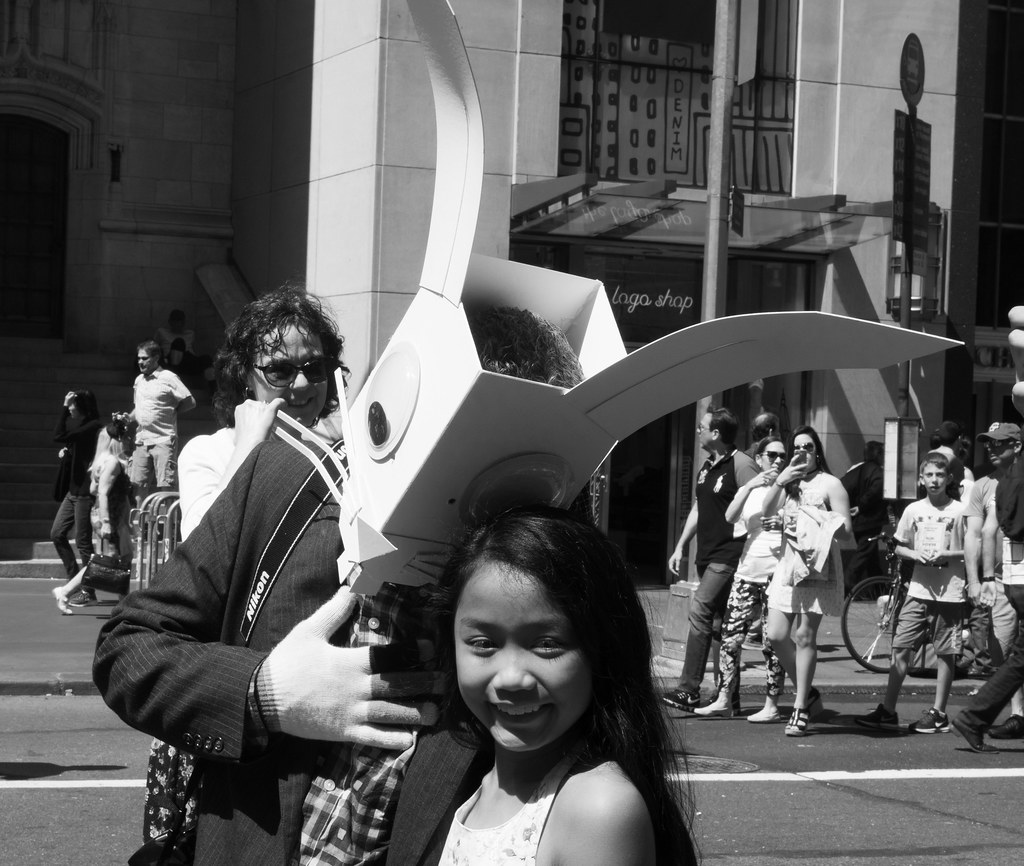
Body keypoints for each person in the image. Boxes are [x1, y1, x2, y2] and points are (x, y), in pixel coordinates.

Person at [430, 505, 698, 866]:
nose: (511, 678)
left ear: (602, 650)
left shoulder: (597, 809)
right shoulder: (475, 774)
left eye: (547, 644)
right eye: (483, 644)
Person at [177, 288, 350, 539]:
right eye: (280, 370)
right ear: (246, 374)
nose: (301, 384)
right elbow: (199, 544)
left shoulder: (335, 452)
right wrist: (248, 449)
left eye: (314, 368)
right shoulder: (209, 452)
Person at [854, 452, 966, 735]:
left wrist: (947, 553)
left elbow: (972, 550)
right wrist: (914, 553)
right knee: (900, 646)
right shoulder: (914, 510)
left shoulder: (960, 511)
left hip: (950, 592)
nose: (934, 480)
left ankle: (939, 713)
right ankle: (888, 709)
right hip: (918, 588)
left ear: (949, 479)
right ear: (920, 479)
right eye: (929, 475)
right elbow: (898, 545)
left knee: (946, 652)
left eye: (940, 475)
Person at [663, 407, 759, 713]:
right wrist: (680, 546)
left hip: (730, 554)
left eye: (702, 427)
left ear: (716, 433)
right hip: (706, 555)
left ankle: (688, 689)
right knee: (719, 625)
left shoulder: (742, 464)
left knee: (701, 608)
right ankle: (726, 695)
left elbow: (759, 505)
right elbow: (697, 509)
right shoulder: (707, 466)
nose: (698, 431)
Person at [761, 424, 851, 736]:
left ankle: (799, 708)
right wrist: (781, 483)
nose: (802, 452)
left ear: (817, 451)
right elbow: (765, 510)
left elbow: (847, 532)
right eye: (796, 448)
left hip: (817, 566)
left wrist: (813, 518)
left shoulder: (831, 484)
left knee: (804, 637)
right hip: (787, 564)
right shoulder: (788, 482)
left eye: (808, 447)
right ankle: (807, 690)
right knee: (775, 633)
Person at [693, 436, 787, 721]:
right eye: (771, 455)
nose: (777, 460)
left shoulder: (788, 489)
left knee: (772, 642)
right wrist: (748, 486)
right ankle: (724, 698)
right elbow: (731, 516)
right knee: (731, 638)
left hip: (777, 572)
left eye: (782, 455)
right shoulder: (753, 489)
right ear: (758, 458)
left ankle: (771, 704)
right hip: (747, 571)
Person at [952, 423, 1024, 752]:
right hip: (1016, 576)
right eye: (990, 444)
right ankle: (973, 717)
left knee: (1019, 657)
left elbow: (993, 529)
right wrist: (982, 579)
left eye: (1000, 444)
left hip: (1014, 577)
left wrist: (992, 578)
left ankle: (975, 718)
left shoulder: (1004, 483)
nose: (992, 449)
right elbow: (985, 532)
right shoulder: (1003, 481)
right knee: (1017, 657)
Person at [52, 417, 134, 613]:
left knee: (123, 557)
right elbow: (102, 492)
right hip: (110, 517)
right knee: (108, 560)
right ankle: (65, 590)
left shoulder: (108, 461)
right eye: (125, 437)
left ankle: (125, 601)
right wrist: (106, 522)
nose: (129, 440)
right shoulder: (113, 462)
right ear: (118, 440)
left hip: (114, 516)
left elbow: (95, 488)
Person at [50, 389, 104, 605]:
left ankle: (88, 591)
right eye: (69, 404)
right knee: (57, 533)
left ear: (82, 406)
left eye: (72, 404)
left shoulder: (92, 426)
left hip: (84, 493)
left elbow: (58, 435)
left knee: (83, 543)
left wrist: (63, 410)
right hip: (73, 492)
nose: (70, 407)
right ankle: (74, 579)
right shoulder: (83, 428)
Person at [128, 339, 196, 506]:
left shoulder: (168, 377)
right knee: (138, 486)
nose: (140, 362)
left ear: (156, 357)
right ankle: (140, 529)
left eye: (144, 358)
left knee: (166, 487)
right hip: (142, 440)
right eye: (138, 358)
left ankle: (167, 529)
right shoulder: (139, 380)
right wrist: (126, 418)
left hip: (163, 439)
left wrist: (172, 411)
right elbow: (139, 408)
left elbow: (190, 401)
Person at [840, 440, 886, 593]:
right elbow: (877, 489)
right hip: (870, 520)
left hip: (858, 520)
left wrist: (851, 505)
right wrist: (861, 506)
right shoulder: (878, 472)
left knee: (870, 556)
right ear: (878, 454)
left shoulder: (857, 470)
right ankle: (847, 586)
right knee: (864, 554)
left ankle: (880, 590)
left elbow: (843, 485)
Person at [153, 308, 216, 393]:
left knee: (206, 359)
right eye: (175, 321)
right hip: (171, 361)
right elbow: (153, 348)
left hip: (187, 360)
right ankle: (174, 379)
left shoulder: (190, 333)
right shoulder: (162, 332)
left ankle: (213, 389)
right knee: (179, 342)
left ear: (183, 323)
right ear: (170, 322)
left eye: (179, 322)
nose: (177, 324)